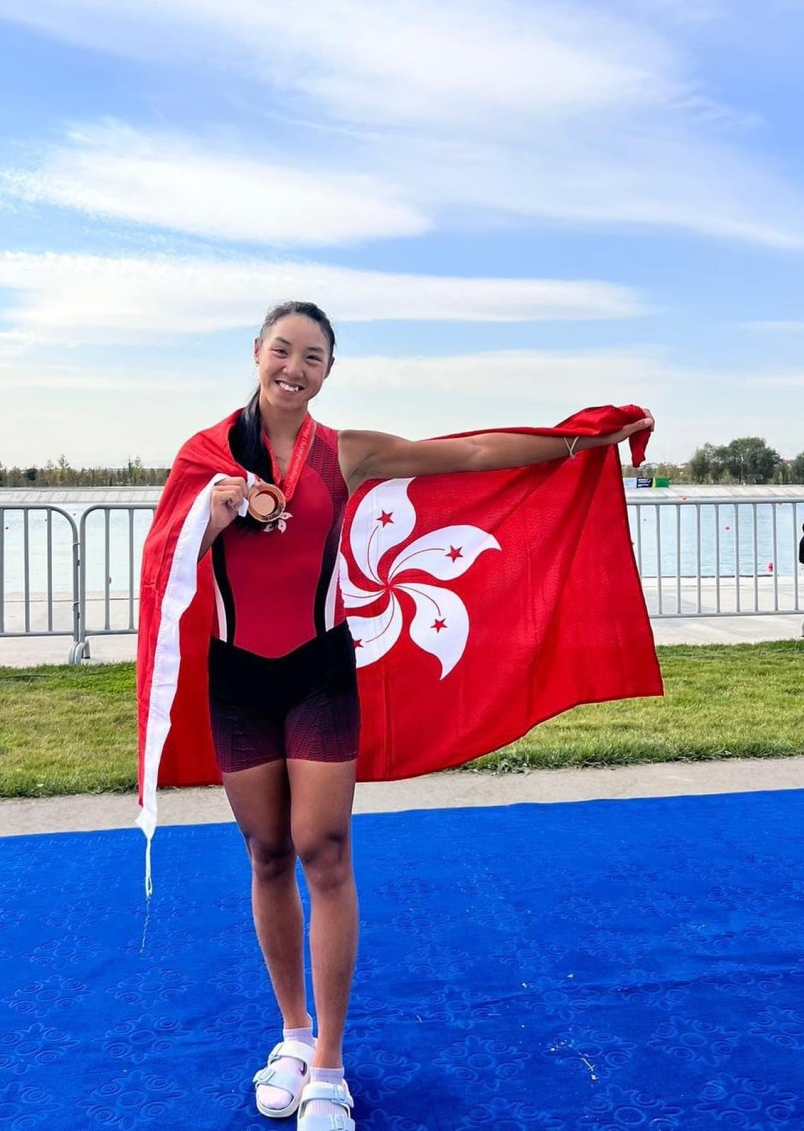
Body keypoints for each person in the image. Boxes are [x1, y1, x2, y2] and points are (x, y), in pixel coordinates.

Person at [141, 300, 655, 1131]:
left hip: (318, 670)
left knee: (326, 850)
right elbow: (165, 560)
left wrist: (582, 440)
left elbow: (474, 453)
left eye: (313, 357)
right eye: (282, 350)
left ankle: (332, 1068)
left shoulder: (346, 453)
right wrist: (220, 513)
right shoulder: (205, 456)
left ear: (328, 371)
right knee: (268, 853)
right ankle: (293, 1036)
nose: (294, 368)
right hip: (236, 678)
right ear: (257, 353)